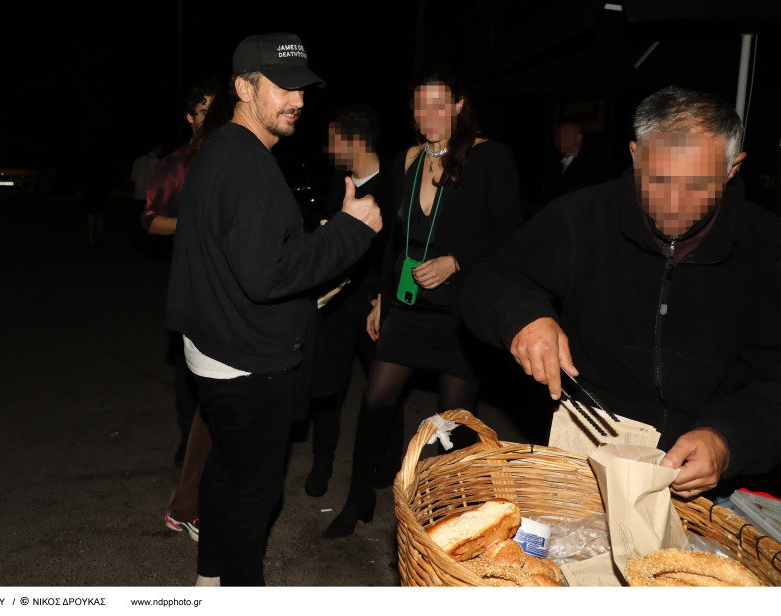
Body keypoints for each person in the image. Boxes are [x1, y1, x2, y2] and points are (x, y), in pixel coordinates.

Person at [460, 85, 781, 499]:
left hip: (703, 481)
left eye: (698, 185)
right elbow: (490, 281)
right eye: (658, 179)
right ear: (634, 155)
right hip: (586, 456)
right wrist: (522, 315)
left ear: (732, 168)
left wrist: (730, 440)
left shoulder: (768, 249)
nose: (675, 203)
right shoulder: (581, 217)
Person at [166, 32, 382, 586]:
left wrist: (321, 241)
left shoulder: (221, 150)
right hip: (246, 364)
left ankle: (210, 579)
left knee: (224, 471)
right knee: (252, 496)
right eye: (283, 87)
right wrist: (351, 233)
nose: (299, 101)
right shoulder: (244, 166)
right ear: (243, 87)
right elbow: (269, 275)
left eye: (303, 89)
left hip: (214, 351)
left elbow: (247, 255)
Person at [323, 65, 522, 539]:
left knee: (450, 426)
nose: (426, 114)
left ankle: (449, 518)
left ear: (457, 106)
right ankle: (358, 500)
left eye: (437, 104)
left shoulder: (490, 157)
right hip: (407, 306)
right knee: (374, 401)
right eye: (419, 105)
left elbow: (510, 233)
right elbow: (395, 238)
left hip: (459, 312)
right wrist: (380, 300)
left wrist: (456, 260)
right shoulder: (408, 158)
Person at [150, 79, 229, 545]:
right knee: (208, 404)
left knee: (216, 405)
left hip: (232, 293)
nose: (207, 117)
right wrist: (195, 223)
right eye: (200, 110)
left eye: (213, 109)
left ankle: (190, 505)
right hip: (198, 294)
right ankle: (188, 506)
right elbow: (151, 221)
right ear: (189, 117)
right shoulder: (175, 165)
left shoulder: (232, 157)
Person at [303, 104, 395, 497]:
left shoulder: (395, 182)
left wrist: (385, 298)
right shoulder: (338, 183)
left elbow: (401, 249)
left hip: (377, 305)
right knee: (328, 387)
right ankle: (321, 465)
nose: (327, 147)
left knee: (384, 390)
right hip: (338, 305)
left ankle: (383, 467)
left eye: (333, 139)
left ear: (354, 141)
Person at [544, 122, 602, 203]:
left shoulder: (588, 166)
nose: (560, 138)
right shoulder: (554, 164)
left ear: (578, 138)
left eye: (565, 134)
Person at [131, 140, 163, 248]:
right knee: (148, 221)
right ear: (156, 148)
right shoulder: (155, 161)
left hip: (138, 194)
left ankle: (136, 243)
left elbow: (133, 177)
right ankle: (146, 245)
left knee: (137, 220)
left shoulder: (138, 160)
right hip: (149, 196)